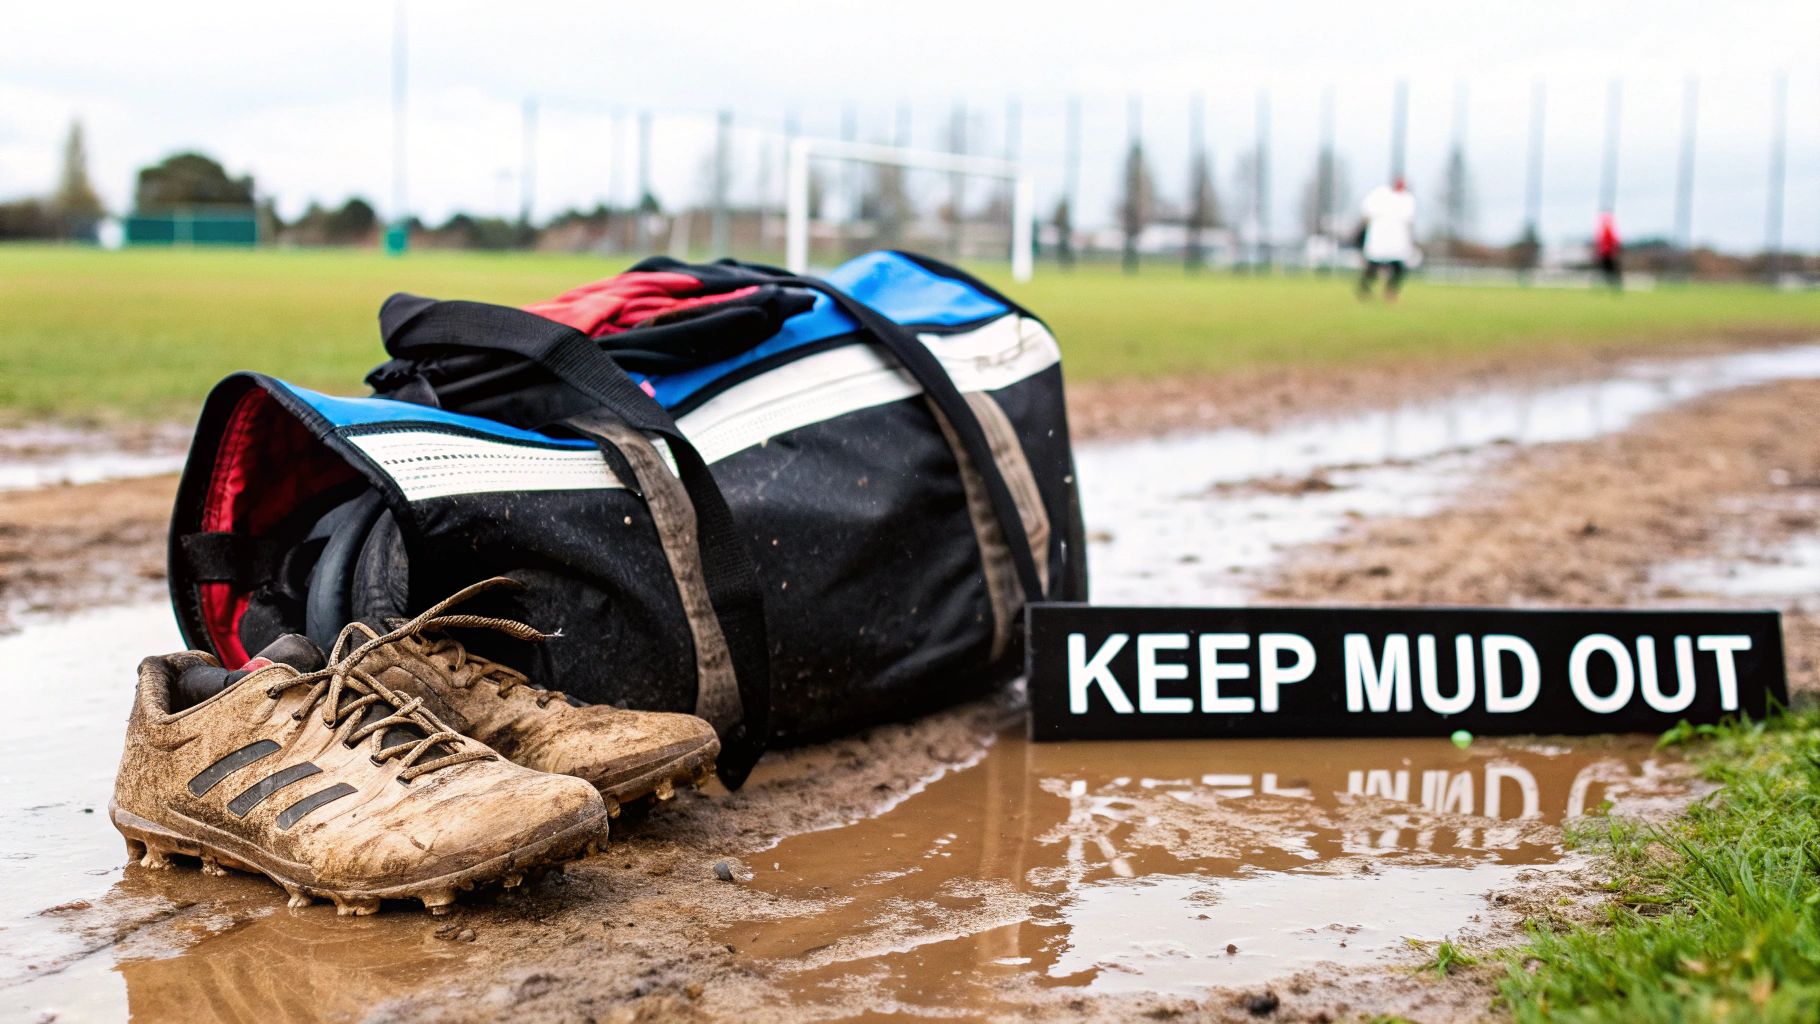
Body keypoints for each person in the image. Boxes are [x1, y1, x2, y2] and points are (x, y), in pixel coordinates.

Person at [1357, 177, 1417, 301]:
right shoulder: (1380, 194)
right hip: (1379, 239)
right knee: (1373, 266)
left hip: (1397, 241)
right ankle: (1364, 289)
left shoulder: (1407, 199)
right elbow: (1367, 213)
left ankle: (1391, 291)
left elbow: (1409, 222)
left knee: (1398, 268)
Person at [1594, 210, 1622, 292]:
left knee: (1611, 271)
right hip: (1605, 254)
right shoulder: (1605, 232)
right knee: (1604, 271)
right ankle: (1610, 286)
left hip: (1608, 254)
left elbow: (1614, 242)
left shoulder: (1608, 231)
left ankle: (1615, 286)